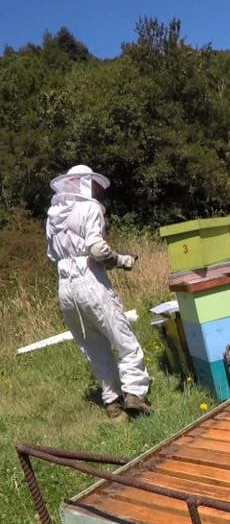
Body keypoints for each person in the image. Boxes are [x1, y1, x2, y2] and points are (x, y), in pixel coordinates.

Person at [45, 164, 151, 421]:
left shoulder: (53, 215)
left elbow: (52, 255)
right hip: (89, 280)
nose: (95, 190)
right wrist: (123, 260)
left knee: (93, 346)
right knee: (123, 339)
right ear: (81, 183)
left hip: (65, 287)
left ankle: (112, 402)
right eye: (91, 184)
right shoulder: (89, 208)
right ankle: (134, 394)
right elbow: (96, 249)